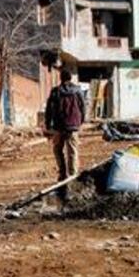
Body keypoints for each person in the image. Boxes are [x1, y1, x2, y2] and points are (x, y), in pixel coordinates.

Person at [44, 69, 85, 201]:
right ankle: (72, 176)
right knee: (72, 151)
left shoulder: (55, 91)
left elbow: (49, 109)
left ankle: (62, 174)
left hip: (59, 126)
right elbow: (83, 107)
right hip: (73, 126)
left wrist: (47, 124)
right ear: (71, 78)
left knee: (57, 149)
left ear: (61, 78)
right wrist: (80, 121)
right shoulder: (78, 90)